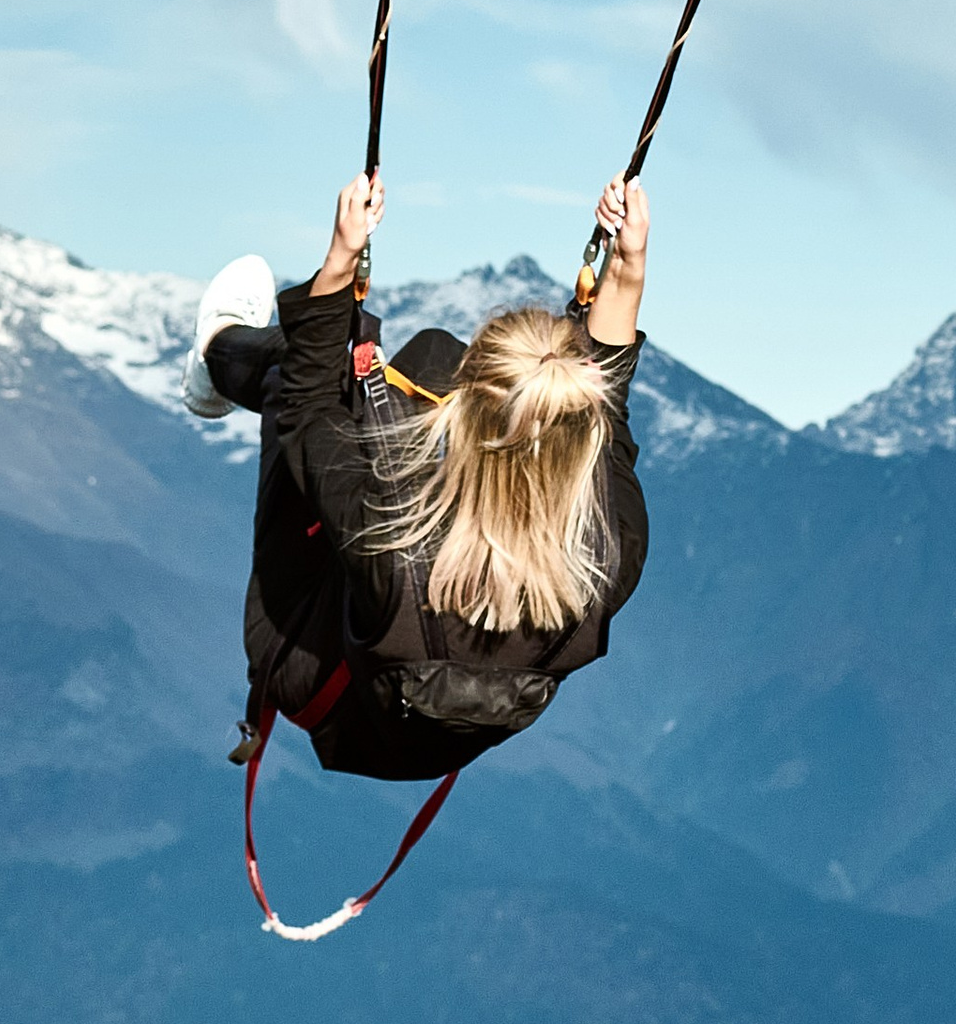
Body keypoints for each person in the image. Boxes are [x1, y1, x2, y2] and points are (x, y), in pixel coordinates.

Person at [186, 172, 651, 786]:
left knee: (330, 379)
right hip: (437, 729)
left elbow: (308, 406)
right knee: (429, 356)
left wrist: (339, 262)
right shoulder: (604, 559)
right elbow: (607, 415)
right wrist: (627, 267)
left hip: (316, 676)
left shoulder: (393, 534)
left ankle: (215, 361)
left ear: (462, 411)